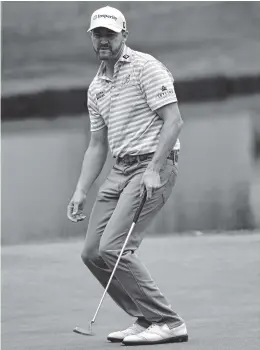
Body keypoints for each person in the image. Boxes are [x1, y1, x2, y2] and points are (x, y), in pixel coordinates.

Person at [67, 5, 188, 346]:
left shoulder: (145, 67)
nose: (103, 40)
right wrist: (80, 191)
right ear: (92, 38)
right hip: (119, 170)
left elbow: (174, 120)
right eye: (98, 34)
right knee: (92, 252)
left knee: (115, 247)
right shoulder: (97, 87)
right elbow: (96, 145)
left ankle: (168, 321)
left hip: (153, 165)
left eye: (110, 33)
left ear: (124, 35)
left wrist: (152, 170)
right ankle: (145, 317)